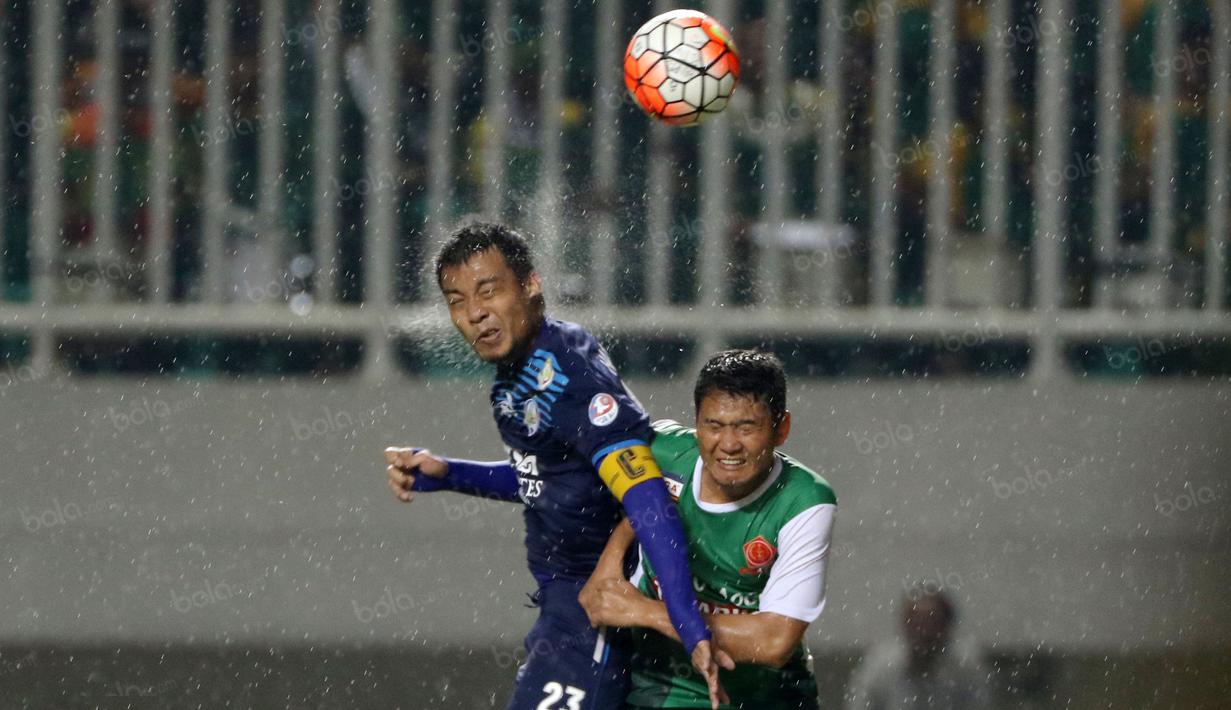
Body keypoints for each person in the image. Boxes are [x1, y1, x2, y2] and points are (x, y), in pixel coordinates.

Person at [383, 221, 728, 710]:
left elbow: (647, 500)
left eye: (488, 290)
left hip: (595, 614)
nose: (475, 312)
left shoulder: (570, 377)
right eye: (456, 300)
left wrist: (688, 625)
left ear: (530, 284)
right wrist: (449, 473)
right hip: (563, 612)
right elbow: (549, 480)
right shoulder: (518, 374)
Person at [579, 349, 838, 709]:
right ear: (696, 423)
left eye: (747, 427)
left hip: (766, 696)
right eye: (713, 426)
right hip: (662, 684)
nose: (728, 444)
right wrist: (612, 555)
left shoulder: (805, 501)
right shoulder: (659, 453)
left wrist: (642, 611)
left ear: (782, 429)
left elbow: (774, 641)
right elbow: (564, 479)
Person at [845, 586, 991, 710]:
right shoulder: (880, 668)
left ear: (947, 627)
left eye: (933, 622)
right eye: (916, 622)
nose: (924, 631)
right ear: (904, 625)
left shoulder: (964, 670)